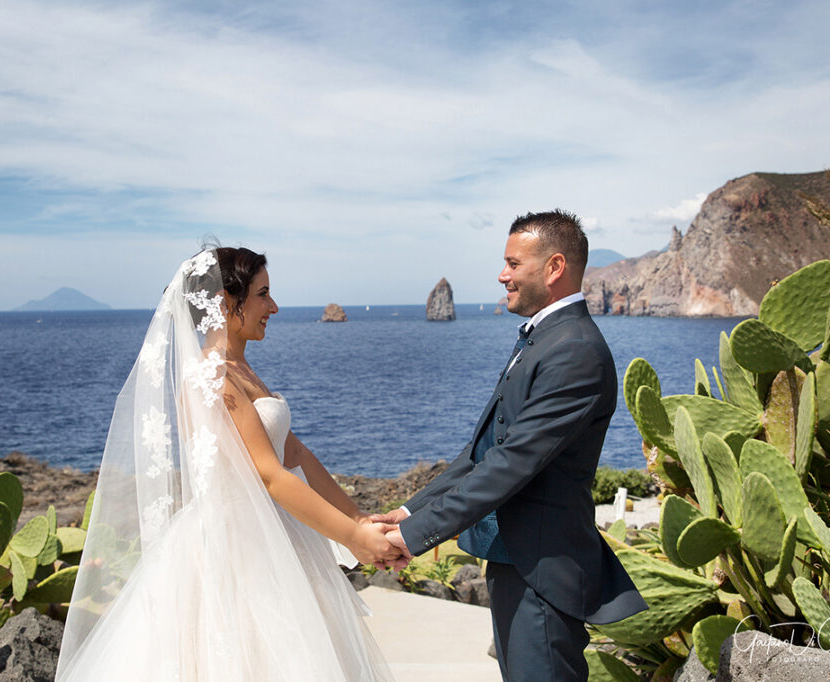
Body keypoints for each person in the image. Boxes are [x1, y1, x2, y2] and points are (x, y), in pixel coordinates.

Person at [55, 246, 399, 681]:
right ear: (225, 302)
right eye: (263, 294)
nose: (273, 307)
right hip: (236, 549)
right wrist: (353, 538)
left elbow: (295, 454)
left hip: (274, 537)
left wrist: (358, 518)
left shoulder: (242, 371)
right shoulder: (212, 377)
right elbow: (269, 476)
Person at [379, 211, 648, 680]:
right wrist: (408, 512)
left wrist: (411, 538)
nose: (502, 275)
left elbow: (511, 464)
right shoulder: (547, 338)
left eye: (512, 263)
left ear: (554, 267)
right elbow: (482, 451)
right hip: (515, 562)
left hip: (544, 573)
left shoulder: (575, 349)